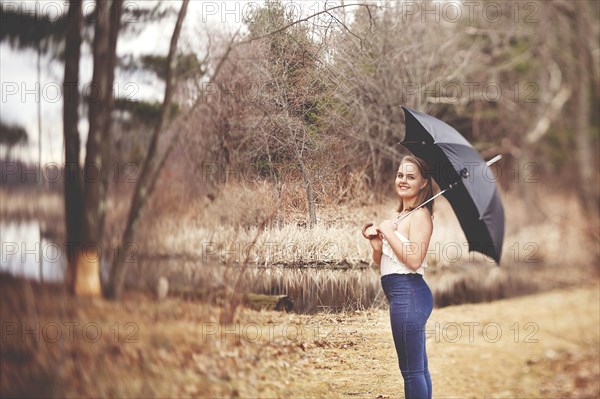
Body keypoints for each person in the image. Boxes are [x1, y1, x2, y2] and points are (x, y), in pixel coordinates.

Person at [367, 155, 435, 399]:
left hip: (411, 294)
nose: (403, 180)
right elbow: (384, 262)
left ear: (424, 183)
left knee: (411, 371)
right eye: (400, 175)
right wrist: (377, 245)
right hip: (399, 294)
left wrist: (387, 232)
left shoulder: (421, 216)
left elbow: (414, 260)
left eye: (411, 176)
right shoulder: (396, 217)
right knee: (416, 369)